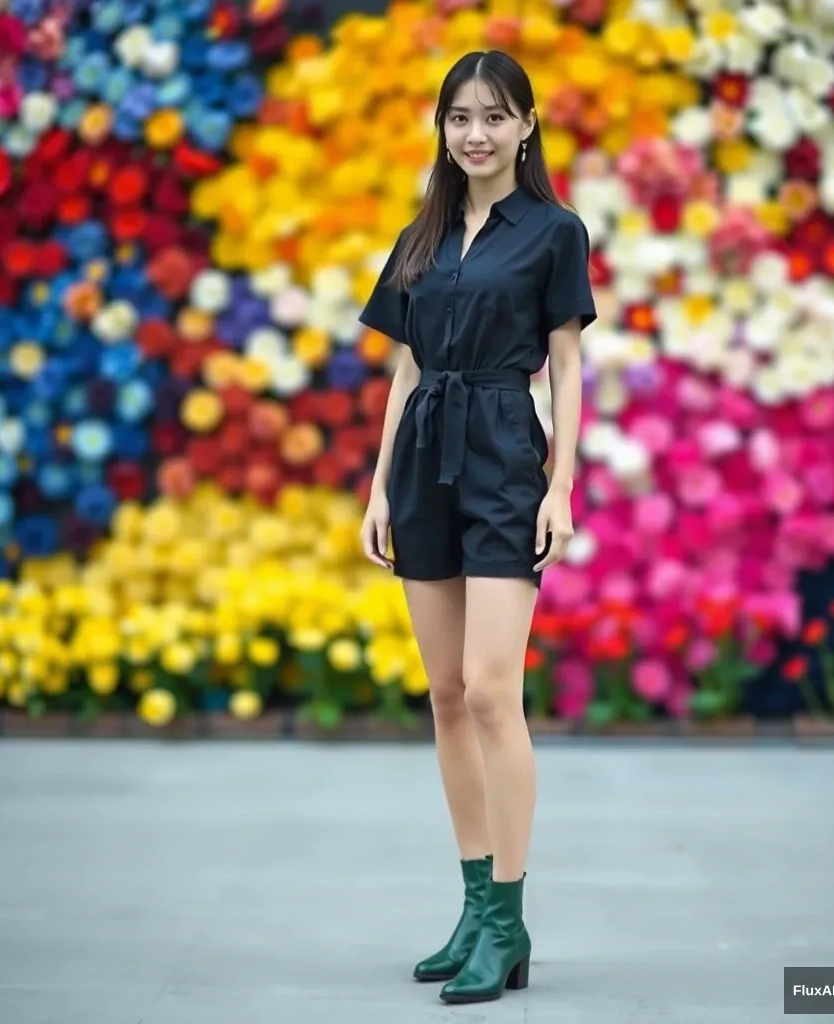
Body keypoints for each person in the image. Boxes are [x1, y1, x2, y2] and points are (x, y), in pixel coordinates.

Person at [357, 49, 596, 1005]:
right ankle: (471, 907)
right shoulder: (421, 237)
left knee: (495, 691)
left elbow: (568, 367)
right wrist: (378, 488)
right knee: (446, 696)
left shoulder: (553, 232)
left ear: (526, 127)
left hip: (503, 457)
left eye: (496, 116)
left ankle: (509, 916)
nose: (477, 133)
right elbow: (406, 371)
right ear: (443, 129)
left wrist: (560, 487)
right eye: (460, 117)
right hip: (421, 459)